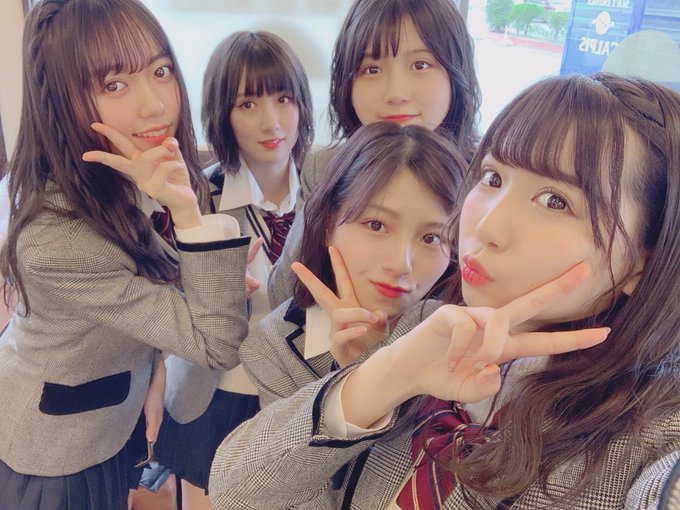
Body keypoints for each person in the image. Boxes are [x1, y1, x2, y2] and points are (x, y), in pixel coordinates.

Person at [208, 73, 680, 509]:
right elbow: (236, 490)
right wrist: (384, 374)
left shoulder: (651, 430)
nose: (486, 226)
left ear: (646, 259)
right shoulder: (426, 327)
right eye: (493, 178)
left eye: (555, 200)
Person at [0, 1, 251, 508]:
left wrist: (159, 363)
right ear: (60, 100)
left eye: (160, 71)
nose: (154, 105)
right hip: (57, 453)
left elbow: (150, 285)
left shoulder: (113, 174)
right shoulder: (58, 239)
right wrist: (187, 215)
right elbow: (215, 343)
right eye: (114, 84)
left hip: (107, 418)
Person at [154, 30, 314, 509]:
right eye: (248, 104)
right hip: (214, 395)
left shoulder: (328, 194)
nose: (271, 121)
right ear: (222, 114)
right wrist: (209, 293)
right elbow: (162, 309)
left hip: (294, 396)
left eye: (283, 99)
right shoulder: (193, 201)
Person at [267, 0, 480, 308]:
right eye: (372, 69)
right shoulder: (325, 167)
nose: (396, 93)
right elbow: (285, 296)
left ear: (456, 73)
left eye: (420, 65)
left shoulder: (485, 187)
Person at [241, 121, 466, 408]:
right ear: (328, 224)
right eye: (376, 225)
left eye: (431, 238)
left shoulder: (459, 332)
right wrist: (364, 375)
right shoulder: (273, 347)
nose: (401, 264)